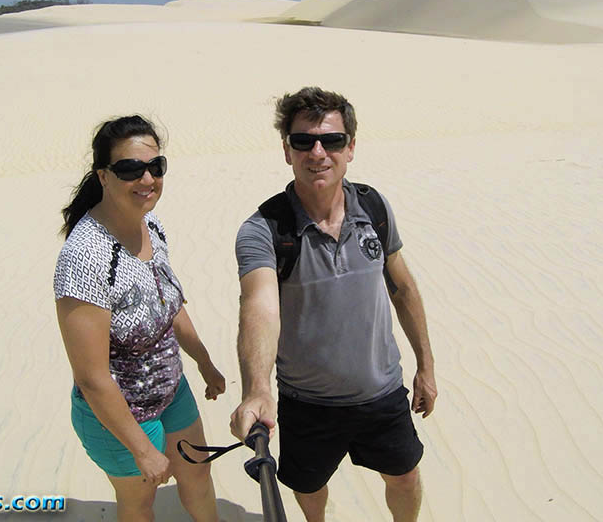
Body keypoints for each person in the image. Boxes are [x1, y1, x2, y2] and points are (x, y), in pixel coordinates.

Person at [231, 87, 437, 522]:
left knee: (405, 477)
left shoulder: (375, 207)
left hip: (382, 394)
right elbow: (260, 306)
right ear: (287, 151)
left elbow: (401, 287)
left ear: (352, 147)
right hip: (307, 404)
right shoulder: (264, 229)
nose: (318, 152)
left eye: (333, 140)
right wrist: (257, 387)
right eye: (303, 141)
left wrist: (426, 365)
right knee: (310, 489)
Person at [55, 115, 227, 522]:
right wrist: (142, 449)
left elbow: (168, 302)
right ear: (104, 176)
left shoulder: (151, 223)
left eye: (156, 166)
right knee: (138, 505)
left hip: (172, 392)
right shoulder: (84, 258)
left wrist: (203, 361)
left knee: (199, 479)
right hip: (120, 417)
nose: (147, 178)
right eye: (131, 169)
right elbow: (92, 377)